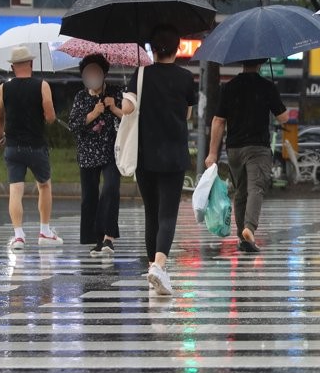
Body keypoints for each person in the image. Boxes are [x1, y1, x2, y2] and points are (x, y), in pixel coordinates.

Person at [122, 25, 197, 295]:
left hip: (145, 155)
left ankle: (154, 265)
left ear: (152, 50)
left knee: (151, 213)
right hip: (174, 154)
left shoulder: (140, 74)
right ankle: (159, 266)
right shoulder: (187, 78)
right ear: (177, 49)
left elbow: (129, 107)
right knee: (168, 214)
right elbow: (188, 114)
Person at [205, 59, 290, 253]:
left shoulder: (229, 87)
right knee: (256, 189)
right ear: (260, 63)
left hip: (234, 149)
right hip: (258, 148)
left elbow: (218, 120)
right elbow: (283, 117)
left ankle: (242, 238)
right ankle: (249, 228)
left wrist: (212, 153)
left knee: (241, 192)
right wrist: (276, 99)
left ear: (242, 62)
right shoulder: (266, 86)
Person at [0, 45, 61, 251]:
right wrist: (47, 116)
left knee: (16, 190)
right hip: (36, 146)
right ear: (31, 64)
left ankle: (19, 236)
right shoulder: (42, 85)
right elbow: (50, 118)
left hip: (13, 147)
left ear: (13, 67)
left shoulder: (3, 88)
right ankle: (44, 231)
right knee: (44, 186)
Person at [70, 54, 124, 256]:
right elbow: (74, 125)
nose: (92, 75)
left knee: (111, 189)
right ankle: (96, 239)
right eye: (88, 72)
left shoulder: (116, 92)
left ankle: (109, 237)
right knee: (89, 197)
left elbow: (129, 118)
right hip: (87, 153)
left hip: (112, 150)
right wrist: (94, 113)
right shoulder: (81, 97)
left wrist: (113, 107)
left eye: (96, 71)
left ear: (103, 74)